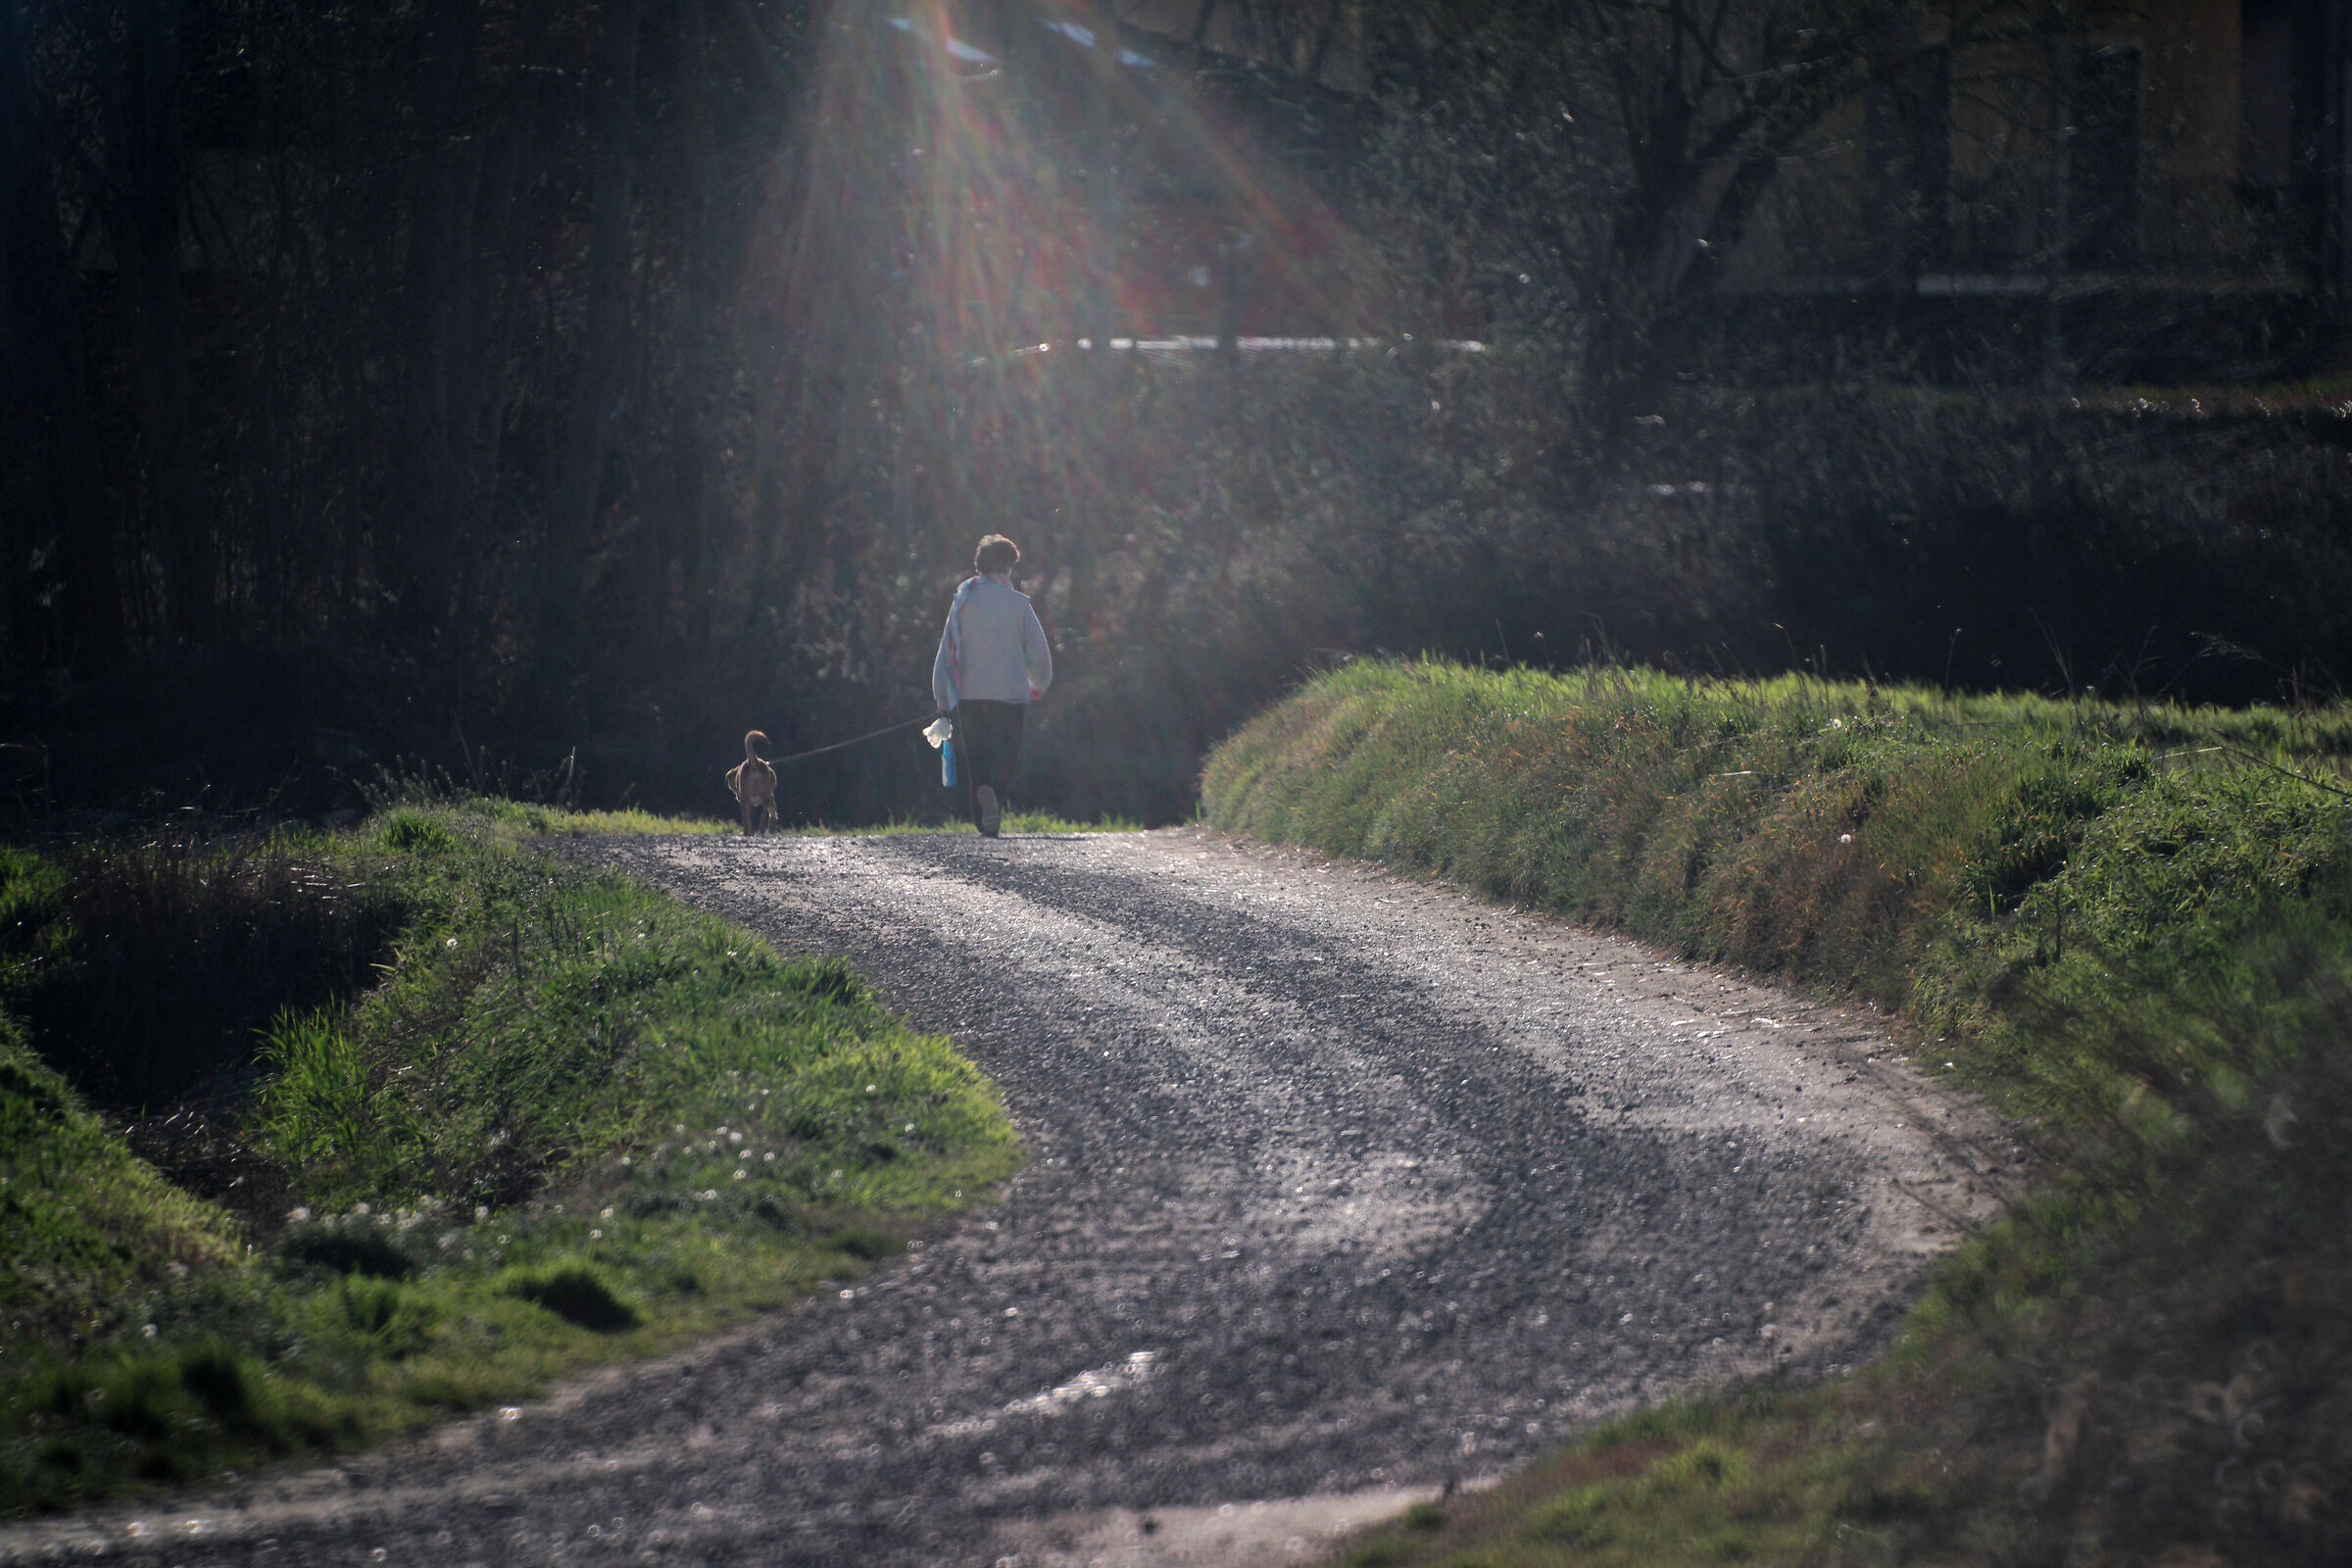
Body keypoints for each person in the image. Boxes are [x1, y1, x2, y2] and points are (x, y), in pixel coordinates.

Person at [932, 534, 1053, 837]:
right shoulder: (1018, 604)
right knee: (1005, 758)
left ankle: (985, 817)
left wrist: (942, 698)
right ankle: (995, 796)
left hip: (970, 696)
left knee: (978, 761)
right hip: (1010, 696)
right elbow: (1039, 653)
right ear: (1009, 566)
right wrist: (1038, 684)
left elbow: (946, 651)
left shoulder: (963, 601)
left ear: (979, 565)